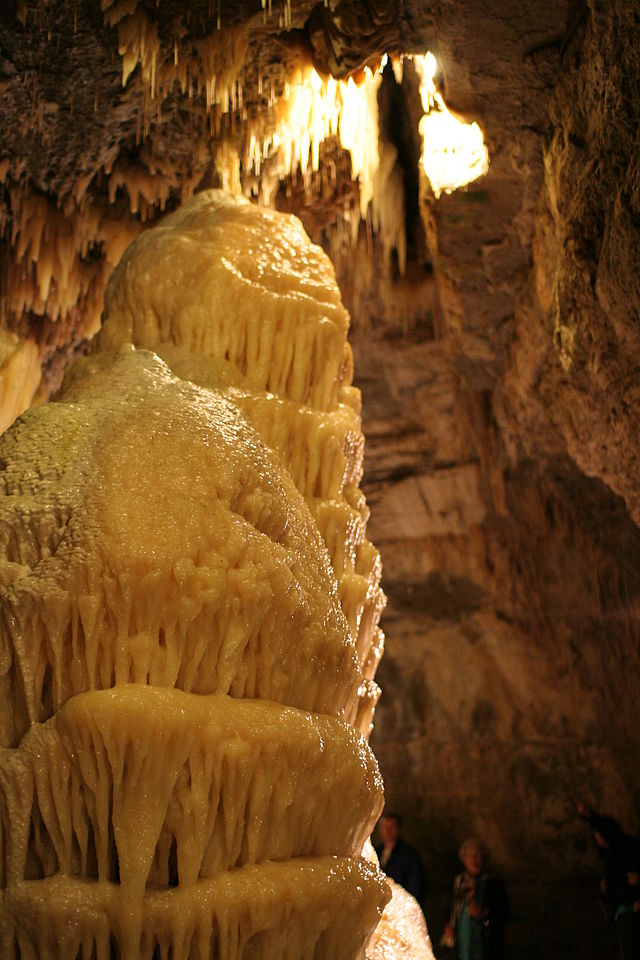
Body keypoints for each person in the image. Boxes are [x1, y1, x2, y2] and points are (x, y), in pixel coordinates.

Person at [578, 802, 640, 960]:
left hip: (629, 909)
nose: (596, 837)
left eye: (598, 834)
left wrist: (636, 897)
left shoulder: (617, 855)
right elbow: (606, 827)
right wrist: (589, 815)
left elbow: (630, 879)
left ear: (604, 837)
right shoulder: (624, 842)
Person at [441, 838, 510, 960]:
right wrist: (449, 924)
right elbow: (451, 907)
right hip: (464, 945)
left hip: (487, 947)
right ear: (464, 859)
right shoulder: (459, 882)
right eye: (470, 856)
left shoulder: (494, 883)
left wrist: (484, 912)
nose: (474, 859)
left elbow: (505, 914)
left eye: (478, 855)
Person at [374, 812, 427, 907]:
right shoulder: (376, 851)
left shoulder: (409, 855)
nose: (387, 831)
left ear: (399, 829)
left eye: (391, 827)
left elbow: (415, 885)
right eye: (384, 827)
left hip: (399, 904)